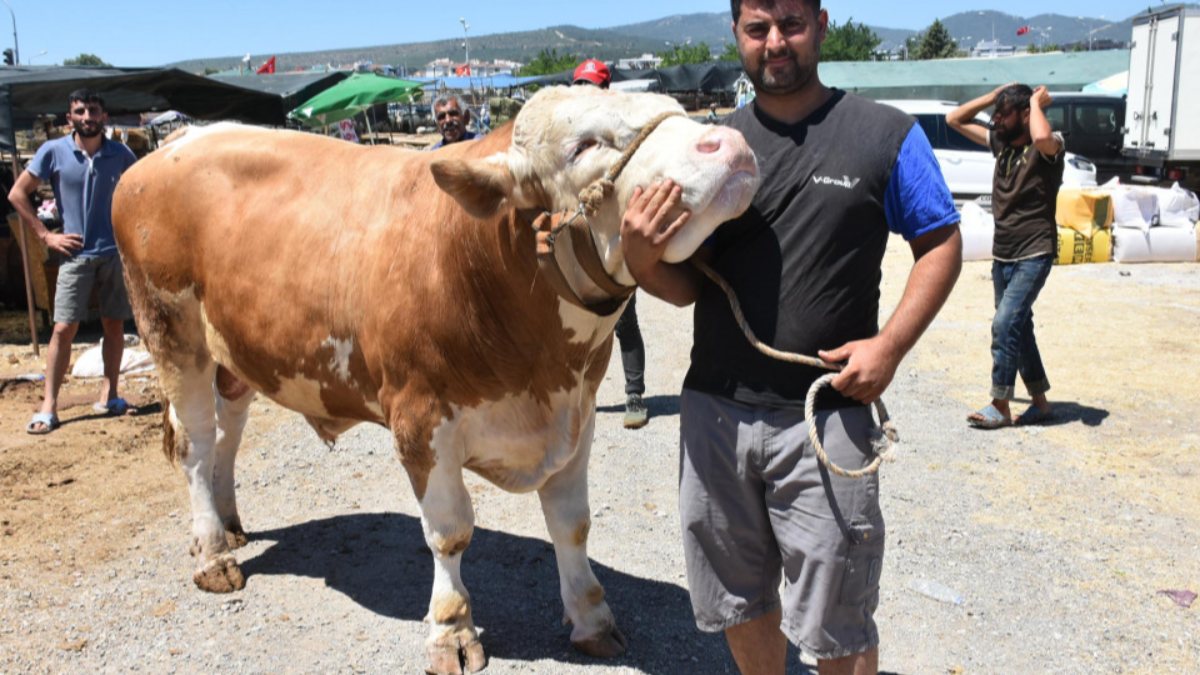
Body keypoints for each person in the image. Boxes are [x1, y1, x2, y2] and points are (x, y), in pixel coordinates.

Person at [620, 0, 962, 672]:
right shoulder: (708, 149)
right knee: (739, 600)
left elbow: (941, 239)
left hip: (825, 419)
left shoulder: (882, 134)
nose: (774, 42)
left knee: (839, 624)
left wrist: (888, 345)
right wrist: (639, 257)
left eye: (790, 25)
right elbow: (690, 288)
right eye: (757, 29)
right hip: (714, 412)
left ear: (821, 25)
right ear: (737, 36)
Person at [9, 89, 138, 434]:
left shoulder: (120, 154)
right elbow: (17, 193)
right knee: (64, 329)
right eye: (79, 111)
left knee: (114, 325)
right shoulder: (53, 152)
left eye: (93, 110)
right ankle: (49, 406)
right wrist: (45, 235)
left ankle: (110, 394)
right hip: (73, 255)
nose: (86, 116)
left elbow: (141, 193)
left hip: (113, 254)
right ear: (70, 118)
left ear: (104, 117)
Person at [947, 83, 1062, 429]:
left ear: (1026, 114)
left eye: (1003, 113)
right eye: (995, 114)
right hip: (1004, 253)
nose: (995, 120)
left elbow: (1042, 138)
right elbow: (954, 118)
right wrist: (993, 95)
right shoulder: (1001, 143)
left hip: (1035, 251)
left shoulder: (1049, 148)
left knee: (1005, 322)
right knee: (1019, 326)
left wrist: (1034, 104)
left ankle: (1001, 403)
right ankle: (1040, 401)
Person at [572, 57, 650, 429]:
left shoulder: (624, 136)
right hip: (577, 242)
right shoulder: (569, 136)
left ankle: (634, 395)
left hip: (613, 242)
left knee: (623, 320)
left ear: (607, 90)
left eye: (592, 87)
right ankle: (580, 393)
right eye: (580, 86)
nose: (586, 94)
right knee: (576, 320)